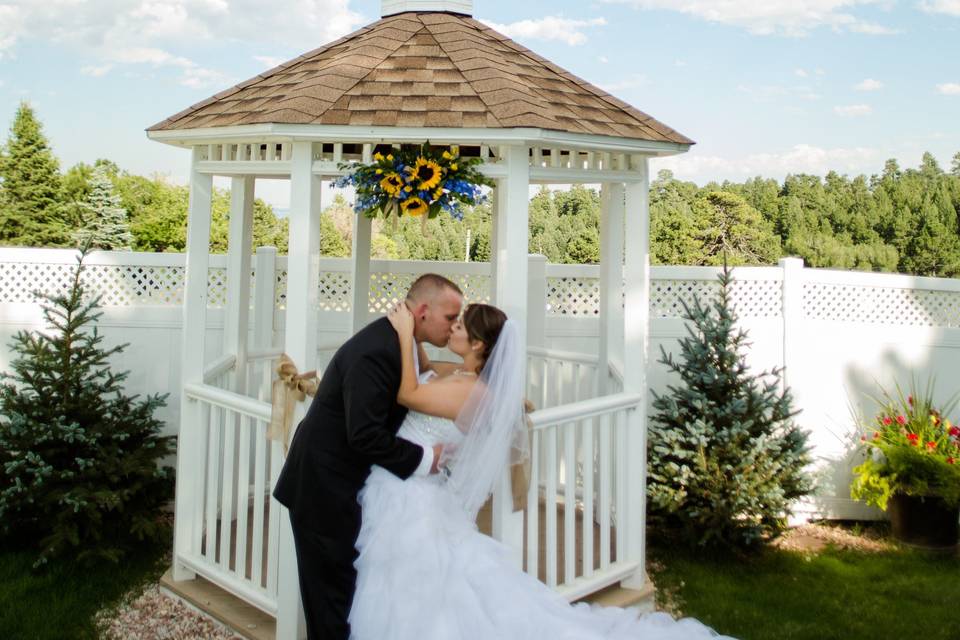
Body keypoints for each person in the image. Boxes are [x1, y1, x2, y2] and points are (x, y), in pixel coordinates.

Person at [348, 301, 737, 640]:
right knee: (429, 583)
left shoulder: (469, 391)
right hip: (417, 487)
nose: (452, 328)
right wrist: (416, 334)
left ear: (479, 345)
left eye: (460, 327)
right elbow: (430, 369)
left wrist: (401, 333)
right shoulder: (468, 379)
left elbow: (408, 393)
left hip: (414, 496)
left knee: (417, 585)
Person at [272, 273, 464, 640]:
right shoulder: (378, 349)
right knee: (332, 603)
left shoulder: (402, 341)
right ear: (423, 311)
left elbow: (423, 379)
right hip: (324, 491)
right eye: (450, 317)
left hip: (347, 488)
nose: (454, 325)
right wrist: (428, 460)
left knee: (349, 596)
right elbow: (363, 434)